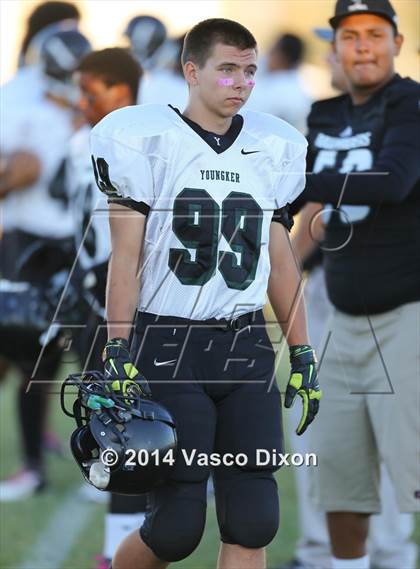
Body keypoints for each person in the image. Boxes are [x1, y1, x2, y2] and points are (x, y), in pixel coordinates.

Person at [90, 18, 321, 569]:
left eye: (249, 71)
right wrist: (117, 349)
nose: (240, 83)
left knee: (253, 519)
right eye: (227, 70)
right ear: (192, 72)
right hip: (169, 344)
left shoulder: (273, 146)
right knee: (174, 528)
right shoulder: (144, 140)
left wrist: (303, 349)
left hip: (245, 346)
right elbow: (124, 261)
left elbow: (280, 263)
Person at [280, 24, 417, 569]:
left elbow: (382, 187)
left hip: (391, 299)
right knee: (325, 440)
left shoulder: (400, 114)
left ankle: (386, 552)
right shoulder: (332, 117)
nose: (341, 56)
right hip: (337, 289)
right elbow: (317, 224)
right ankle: (330, 552)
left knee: (381, 439)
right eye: (339, 43)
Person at [0, 29, 91, 501]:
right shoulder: (23, 108)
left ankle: (99, 464)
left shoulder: (93, 116)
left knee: (93, 355)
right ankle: (34, 466)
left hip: (77, 247)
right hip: (31, 244)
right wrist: (14, 171)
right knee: (31, 359)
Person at [68, 47, 147, 569]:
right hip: (96, 296)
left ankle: (126, 548)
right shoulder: (85, 140)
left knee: (130, 426)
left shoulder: (139, 141)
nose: (80, 101)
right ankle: (120, 546)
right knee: (109, 424)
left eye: (89, 90)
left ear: (119, 90)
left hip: (129, 302)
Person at [248, 33, 312, 132]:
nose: (268, 53)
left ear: (283, 57)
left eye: (273, 50)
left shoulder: (290, 93)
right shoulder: (263, 70)